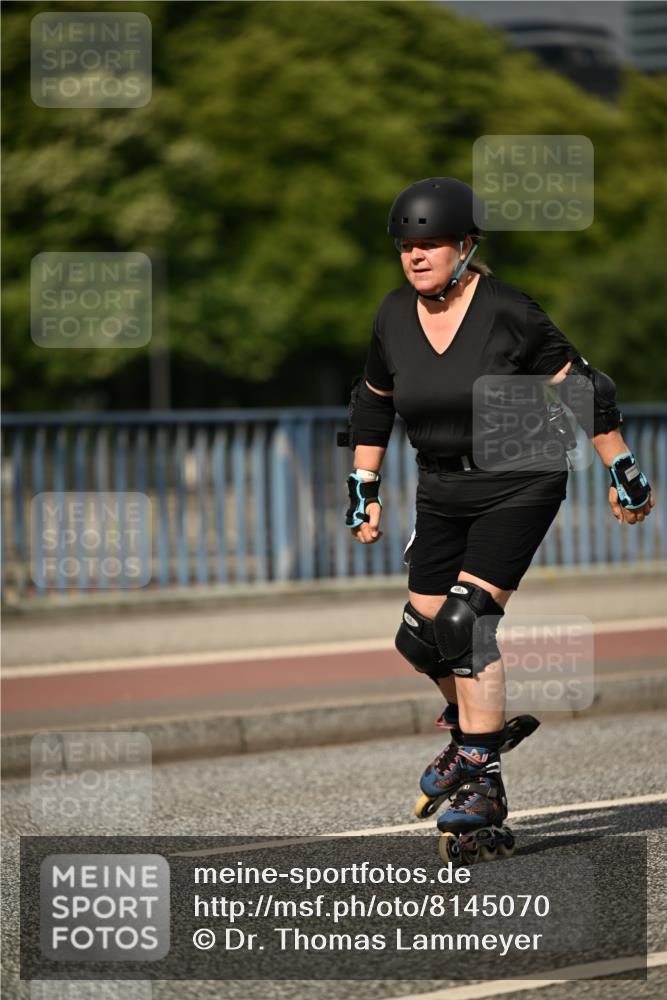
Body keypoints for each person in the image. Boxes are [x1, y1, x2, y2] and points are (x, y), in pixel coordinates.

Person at [343, 177, 654, 863]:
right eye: (406, 245)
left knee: (464, 622)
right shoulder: (392, 315)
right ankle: (472, 747)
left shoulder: (508, 309)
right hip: (440, 487)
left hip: (520, 475)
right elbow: (372, 401)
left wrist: (621, 469)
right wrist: (362, 485)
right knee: (420, 640)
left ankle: (477, 777)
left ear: (464, 247)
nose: (416, 256)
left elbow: (581, 385)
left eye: (431, 244)